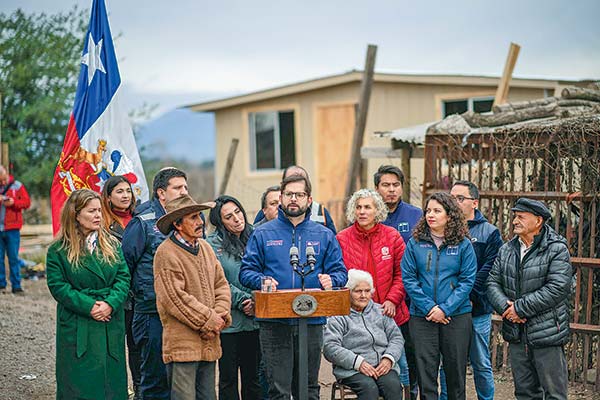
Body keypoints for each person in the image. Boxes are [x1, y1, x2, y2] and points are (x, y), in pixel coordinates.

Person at [239, 173, 348, 400]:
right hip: (274, 323)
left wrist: (332, 280)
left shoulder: (324, 235)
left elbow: (340, 272)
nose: (294, 199)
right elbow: (245, 272)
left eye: (299, 194)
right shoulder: (262, 233)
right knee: (279, 389)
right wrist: (262, 281)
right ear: (280, 198)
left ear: (309, 200)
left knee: (308, 389)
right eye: (289, 194)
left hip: (312, 320)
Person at [46, 189, 130, 399]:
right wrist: (89, 306)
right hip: (78, 321)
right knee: (80, 382)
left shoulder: (111, 244)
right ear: (75, 214)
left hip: (109, 319)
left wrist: (110, 303)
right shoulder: (58, 249)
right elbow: (58, 286)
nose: (98, 216)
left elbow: (123, 277)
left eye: (99, 211)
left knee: (111, 380)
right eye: (91, 211)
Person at [487, 198, 572, 400]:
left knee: (554, 394)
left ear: (538, 220)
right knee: (524, 393)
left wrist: (519, 309)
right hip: (516, 333)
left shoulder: (556, 248)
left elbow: (557, 288)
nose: (515, 221)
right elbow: (491, 282)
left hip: (547, 333)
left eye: (521, 217)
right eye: (514, 216)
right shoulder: (507, 249)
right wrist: (507, 309)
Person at [154, 194, 231, 400]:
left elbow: (221, 285)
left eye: (200, 216)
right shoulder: (166, 253)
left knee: (208, 396)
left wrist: (220, 315)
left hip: (210, 341)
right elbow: (175, 299)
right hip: (182, 346)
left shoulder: (205, 247)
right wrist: (209, 320)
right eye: (194, 218)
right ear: (178, 224)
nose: (200, 222)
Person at [401, 192, 476, 400]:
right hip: (422, 317)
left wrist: (445, 308)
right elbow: (408, 279)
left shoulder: (463, 244)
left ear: (450, 215)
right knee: (426, 377)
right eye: (428, 211)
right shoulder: (415, 243)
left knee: (456, 377)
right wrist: (430, 308)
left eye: (437, 211)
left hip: (457, 316)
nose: (430, 215)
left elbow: (467, 281)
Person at [336, 189, 411, 397]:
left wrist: (392, 300)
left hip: (389, 313)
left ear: (377, 210)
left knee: (399, 371)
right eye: (358, 207)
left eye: (367, 207)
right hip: (354, 317)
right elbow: (339, 276)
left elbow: (403, 273)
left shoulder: (392, 236)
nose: (362, 211)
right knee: (368, 385)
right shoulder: (342, 238)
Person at [122, 167, 189, 399]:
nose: (184, 191)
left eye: (185, 187)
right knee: (153, 380)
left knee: (179, 380)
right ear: (161, 193)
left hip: (181, 312)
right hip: (151, 312)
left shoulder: (186, 218)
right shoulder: (143, 222)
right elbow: (125, 265)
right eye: (178, 187)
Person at [437, 181, 503, 400]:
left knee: (480, 362)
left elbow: (488, 270)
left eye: (460, 198)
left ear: (475, 202)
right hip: (448, 310)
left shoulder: (489, 232)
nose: (454, 203)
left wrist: (466, 297)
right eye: (451, 197)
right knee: (449, 362)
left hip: (477, 309)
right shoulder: (441, 229)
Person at [207, 195, 262, 400]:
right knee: (228, 378)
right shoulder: (212, 244)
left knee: (253, 378)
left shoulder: (256, 236)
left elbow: (266, 270)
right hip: (228, 321)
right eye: (229, 217)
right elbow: (216, 280)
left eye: (238, 212)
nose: (237, 219)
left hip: (256, 320)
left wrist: (256, 301)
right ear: (220, 222)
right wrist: (243, 300)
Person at [374, 164, 421, 399]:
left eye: (395, 185)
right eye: (386, 185)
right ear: (376, 188)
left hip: (410, 300)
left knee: (411, 353)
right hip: (379, 302)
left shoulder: (416, 216)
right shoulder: (369, 216)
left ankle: (412, 392)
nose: (391, 190)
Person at [324, 269, 404, 400]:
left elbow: (396, 337)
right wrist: (358, 362)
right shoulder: (338, 316)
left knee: (393, 387)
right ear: (348, 292)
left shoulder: (380, 311)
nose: (363, 295)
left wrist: (388, 358)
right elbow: (330, 347)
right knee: (369, 389)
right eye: (358, 291)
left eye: (367, 291)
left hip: (381, 365)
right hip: (352, 370)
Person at [100, 175, 141, 399]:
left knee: (137, 348)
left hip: (138, 295)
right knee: (114, 349)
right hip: (116, 296)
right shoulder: (103, 225)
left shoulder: (139, 220)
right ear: (108, 197)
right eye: (119, 191)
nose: (125, 195)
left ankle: (139, 391)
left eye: (128, 191)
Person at [253, 165, 337, 233]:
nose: (293, 199)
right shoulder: (266, 219)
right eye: (291, 179)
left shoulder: (320, 211)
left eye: (301, 179)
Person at [0, 165, 31, 294]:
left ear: (6, 173)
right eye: (0, 181)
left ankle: (16, 286)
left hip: (12, 228)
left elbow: (27, 203)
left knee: (13, 257)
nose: (2, 183)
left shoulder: (17, 185)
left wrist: (14, 203)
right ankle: (1, 285)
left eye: (3, 180)